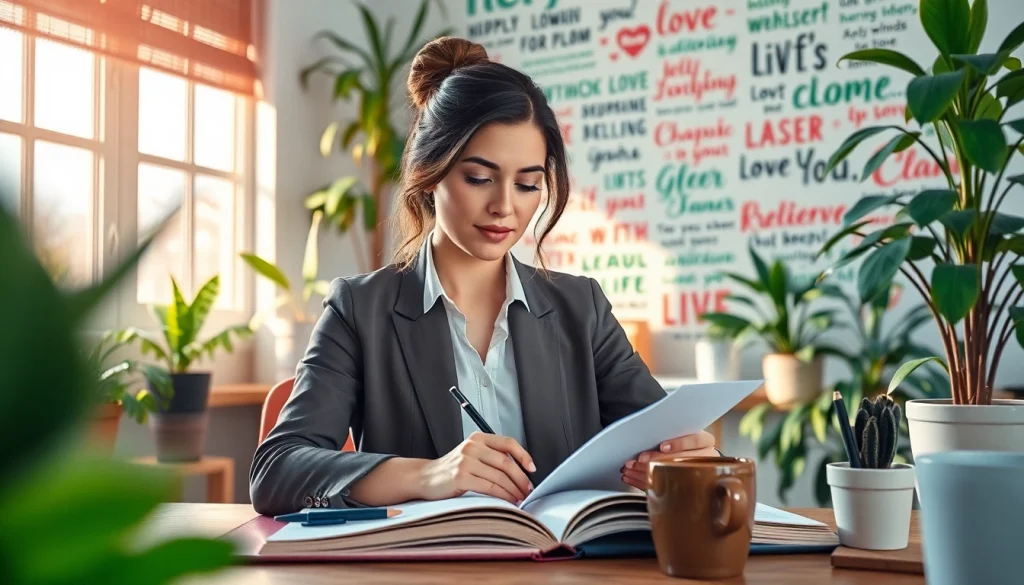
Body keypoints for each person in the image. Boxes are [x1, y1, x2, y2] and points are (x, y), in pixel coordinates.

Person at [249, 37, 718, 517]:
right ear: (430, 172)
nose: (504, 206)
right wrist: (431, 475)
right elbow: (277, 471)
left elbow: (661, 435)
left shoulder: (583, 308)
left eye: (528, 184)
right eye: (479, 177)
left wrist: (688, 458)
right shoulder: (359, 309)